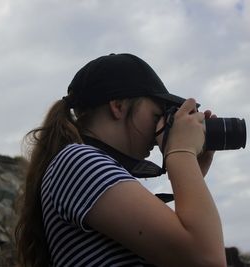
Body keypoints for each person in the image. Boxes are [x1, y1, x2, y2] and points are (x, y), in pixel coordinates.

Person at [15, 53, 226, 267]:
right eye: (156, 115)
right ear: (118, 106)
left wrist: (192, 172)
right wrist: (182, 152)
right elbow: (206, 259)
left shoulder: (82, 165)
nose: (159, 129)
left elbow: (184, 251)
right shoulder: (78, 161)